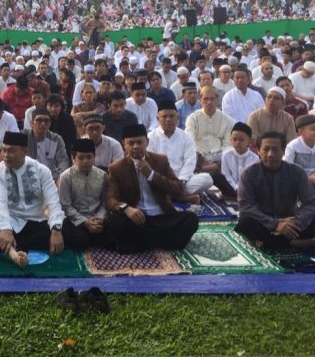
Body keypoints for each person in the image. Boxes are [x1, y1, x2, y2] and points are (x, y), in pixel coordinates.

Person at [103, 124, 198, 252]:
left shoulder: (160, 161)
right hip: (137, 220)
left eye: (139, 142)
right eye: (131, 143)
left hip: (161, 218)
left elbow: (177, 189)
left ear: (147, 142)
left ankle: (140, 244)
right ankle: (161, 242)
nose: (135, 146)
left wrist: (151, 174)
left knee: (190, 219)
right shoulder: (116, 168)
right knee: (114, 220)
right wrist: (126, 208)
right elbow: (110, 199)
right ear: (124, 144)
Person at [236, 131, 315, 252]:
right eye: (266, 149)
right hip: (262, 223)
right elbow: (245, 206)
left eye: (275, 150)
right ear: (258, 151)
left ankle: (271, 242)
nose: (270, 154)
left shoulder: (297, 172)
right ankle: (295, 243)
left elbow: (310, 202)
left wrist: (296, 222)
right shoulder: (248, 174)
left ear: (284, 151)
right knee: (244, 224)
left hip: (291, 223)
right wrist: (275, 224)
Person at [0, 132, 66, 267]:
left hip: (35, 222)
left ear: (24, 151)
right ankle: (13, 252)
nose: (6, 155)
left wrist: (56, 230)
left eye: (11, 151)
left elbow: (53, 201)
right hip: (9, 222)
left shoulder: (42, 171)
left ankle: (8, 247)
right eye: (4, 150)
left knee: (66, 230)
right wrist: (6, 229)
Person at [147, 100, 213, 203]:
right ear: (157, 119)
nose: (168, 120)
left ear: (177, 118)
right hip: (160, 180)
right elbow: (150, 162)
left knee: (207, 179)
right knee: (148, 184)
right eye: (164, 116)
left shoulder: (186, 137)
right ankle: (180, 197)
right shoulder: (151, 137)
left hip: (182, 180)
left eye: (171, 116)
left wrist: (181, 181)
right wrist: (164, 182)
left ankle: (171, 196)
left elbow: (190, 161)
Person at [58, 139, 108, 251]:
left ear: (94, 156)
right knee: (80, 242)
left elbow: (104, 202)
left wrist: (99, 218)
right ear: (73, 158)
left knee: (110, 238)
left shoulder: (102, 175)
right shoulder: (66, 177)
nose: (85, 161)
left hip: (96, 218)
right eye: (81, 158)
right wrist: (85, 222)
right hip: (76, 220)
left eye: (89, 157)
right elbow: (65, 206)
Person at [24, 108, 69, 181]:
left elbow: (63, 161)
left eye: (46, 120)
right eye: (39, 120)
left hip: (51, 178)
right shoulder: (23, 137)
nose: (43, 123)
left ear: (50, 123)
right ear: (32, 123)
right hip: (28, 178)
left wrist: (61, 178)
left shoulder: (56, 139)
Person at [220, 122, 260, 198]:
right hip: (231, 186)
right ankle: (235, 195)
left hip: (247, 188)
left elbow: (253, 179)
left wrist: (242, 189)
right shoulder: (226, 155)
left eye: (241, 140)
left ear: (249, 142)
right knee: (216, 176)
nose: (237, 142)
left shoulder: (255, 158)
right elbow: (226, 175)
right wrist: (236, 187)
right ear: (230, 140)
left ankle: (236, 196)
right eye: (234, 139)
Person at [284, 114, 315, 184]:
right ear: (301, 132)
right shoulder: (292, 146)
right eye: (313, 129)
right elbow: (286, 169)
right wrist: (308, 178)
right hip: (299, 181)